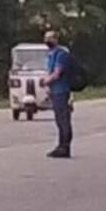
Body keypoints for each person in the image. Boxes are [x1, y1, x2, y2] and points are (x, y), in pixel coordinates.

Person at [42, 30, 73, 158]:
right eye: (45, 38)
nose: (47, 41)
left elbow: (57, 73)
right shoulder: (50, 54)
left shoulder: (61, 54)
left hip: (62, 90)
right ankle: (61, 145)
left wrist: (46, 82)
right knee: (59, 120)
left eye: (50, 38)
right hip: (55, 91)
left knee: (63, 119)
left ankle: (65, 147)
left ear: (56, 39)